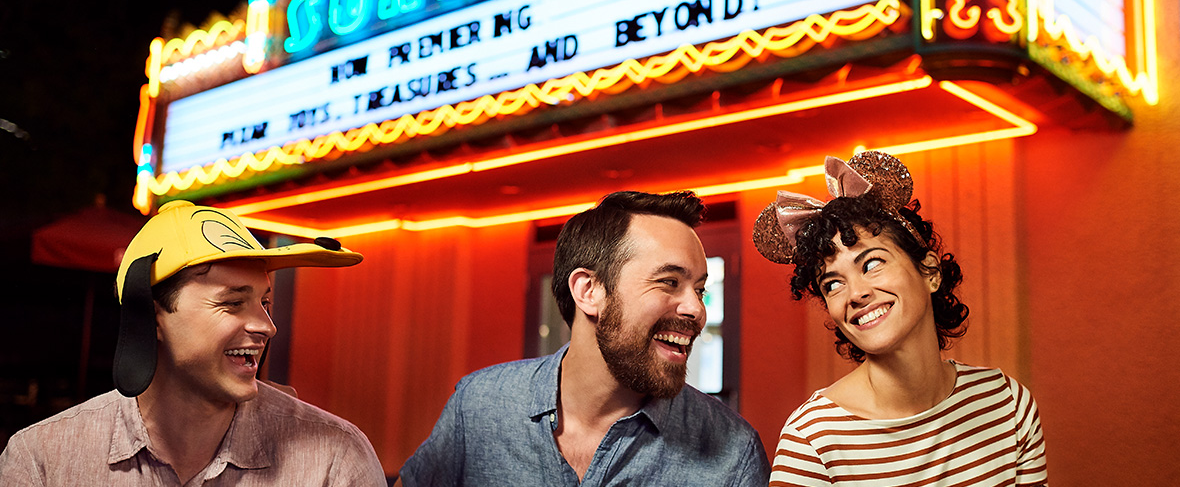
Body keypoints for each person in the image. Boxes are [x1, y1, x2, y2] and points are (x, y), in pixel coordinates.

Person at [0, 200, 387, 486]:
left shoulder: (335, 461)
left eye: (264, 302)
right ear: (151, 316)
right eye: (233, 303)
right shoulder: (43, 461)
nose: (266, 326)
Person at [397, 191, 770, 486]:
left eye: (700, 289)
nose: (696, 309)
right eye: (669, 282)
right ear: (589, 290)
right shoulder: (479, 407)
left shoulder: (733, 452)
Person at [752, 151, 1048, 486]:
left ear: (930, 272)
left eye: (873, 263)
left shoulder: (1007, 403)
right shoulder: (813, 438)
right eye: (833, 283)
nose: (856, 293)